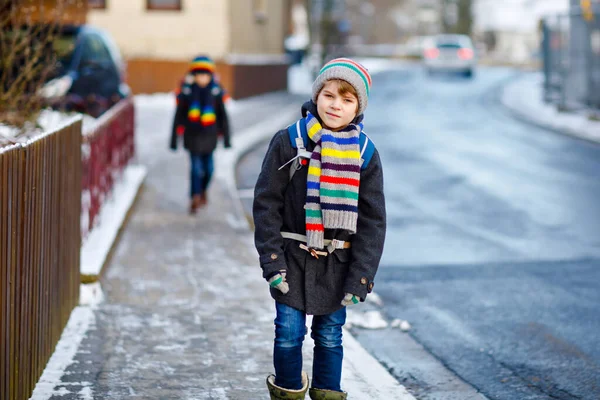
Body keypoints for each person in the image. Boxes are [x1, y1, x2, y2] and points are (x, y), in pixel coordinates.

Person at [253, 58, 386, 400]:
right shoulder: (290, 141)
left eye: (347, 99)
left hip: (337, 265)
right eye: (329, 95)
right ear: (317, 96)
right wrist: (272, 261)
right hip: (291, 258)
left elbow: (373, 222)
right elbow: (267, 203)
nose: (336, 105)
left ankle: (328, 392)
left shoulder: (364, 154)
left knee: (329, 336)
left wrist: (361, 276)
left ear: (358, 107)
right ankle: (288, 392)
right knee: (288, 332)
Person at [170, 55, 231, 214]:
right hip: (192, 138)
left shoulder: (216, 93)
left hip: (210, 139)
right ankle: (195, 197)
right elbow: (178, 116)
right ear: (194, 75)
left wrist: (226, 138)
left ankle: (203, 191)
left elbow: (223, 117)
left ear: (210, 76)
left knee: (209, 170)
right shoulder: (187, 93)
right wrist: (174, 139)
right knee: (196, 169)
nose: (202, 78)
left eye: (205, 75)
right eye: (199, 75)